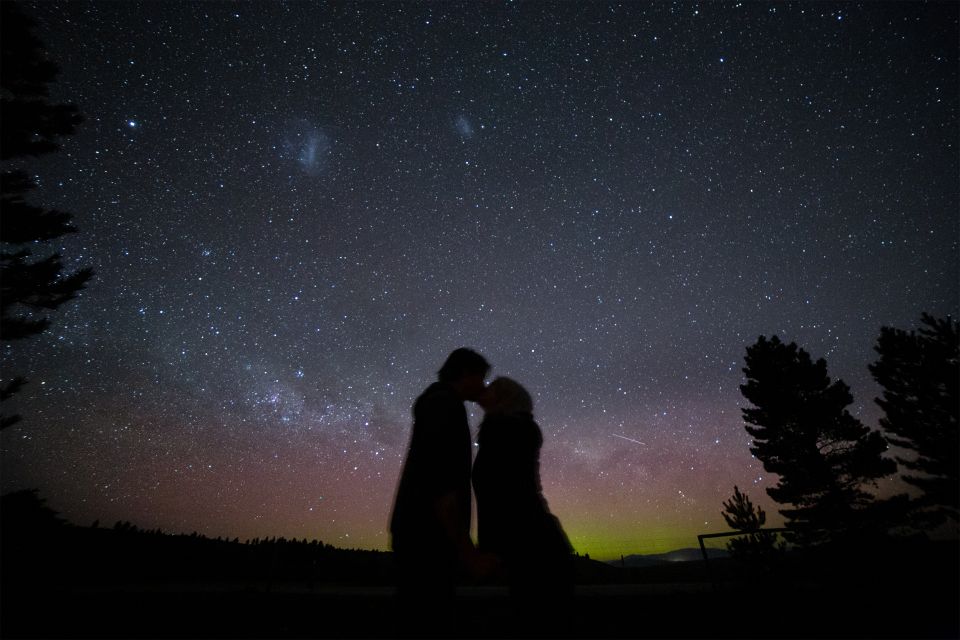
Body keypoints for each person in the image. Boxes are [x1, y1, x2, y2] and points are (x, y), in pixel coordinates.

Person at [389, 348, 493, 635]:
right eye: (480, 378)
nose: (483, 386)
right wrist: (466, 550)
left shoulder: (436, 402)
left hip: (418, 534)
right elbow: (441, 484)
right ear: (464, 374)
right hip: (428, 539)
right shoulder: (445, 406)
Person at [472, 376, 575, 634]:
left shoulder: (509, 429)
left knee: (537, 619)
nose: (484, 390)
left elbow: (503, 491)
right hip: (528, 540)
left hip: (530, 542)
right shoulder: (505, 428)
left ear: (505, 398)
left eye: (492, 388)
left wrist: (490, 546)